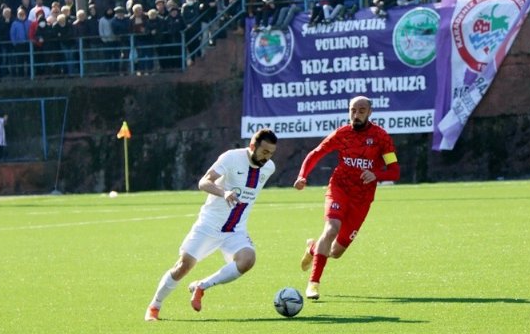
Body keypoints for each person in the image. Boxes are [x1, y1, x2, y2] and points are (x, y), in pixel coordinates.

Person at [144, 128, 279, 320]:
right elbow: (204, 182)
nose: (267, 157)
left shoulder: (269, 167)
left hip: (235, 230)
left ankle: (201, 286)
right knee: (183, 265)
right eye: (264, 152)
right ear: (252, 146)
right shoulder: (231, 158)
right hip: (209, 225)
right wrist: (224, 192)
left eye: (271, 153)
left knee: (248, 259)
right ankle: (154, 307)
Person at [293, 96, 400, 300]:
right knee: (331, 227)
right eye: (353, 110)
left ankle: (313, 248)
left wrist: (377, 174)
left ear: (370, 112)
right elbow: (315, 153)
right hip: (339, 188)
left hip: (361, 200)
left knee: (335, 252)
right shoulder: (341, 134)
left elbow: (394, 171)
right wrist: (302, 176)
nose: (356, 115)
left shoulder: (381, 137)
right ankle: (313, 284)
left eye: (361, 110)